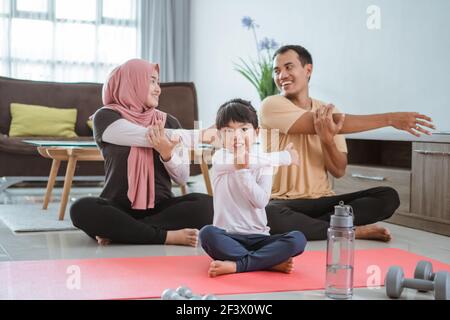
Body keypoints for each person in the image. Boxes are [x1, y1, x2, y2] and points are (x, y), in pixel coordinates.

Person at [261, 45, 435, 241]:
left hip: (322, 201)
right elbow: (328, 122)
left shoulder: (327, 109)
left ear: (308, 70)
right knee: (268, 215)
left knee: (388, 196)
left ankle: (317, 226)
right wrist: (390, 119)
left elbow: (338, 170)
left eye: (288, 67)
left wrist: (327, 141)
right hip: (283, 203)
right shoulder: (270, 105)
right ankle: (345, 229)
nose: (282, 75)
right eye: (277, 70)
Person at [70, 59, 213, 246]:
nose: (158, 89)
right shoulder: (105, 116)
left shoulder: (170, 122)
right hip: (117, 207)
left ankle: (123, 231)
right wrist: (201, 135)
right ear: (132, 82)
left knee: (209, 206)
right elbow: (144, 135)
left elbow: (182, 178)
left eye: (158, 82)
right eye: (152, 81)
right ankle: (165, 236)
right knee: (81, 209)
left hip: (161, 209)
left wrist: (167, 154)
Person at [199, 99, 307, 277]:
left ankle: (239, 265)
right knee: (207, 234)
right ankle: (268, 263)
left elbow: (260, 201)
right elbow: (245, 162)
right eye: (228, 131)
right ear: (219, 136)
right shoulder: (220, 158)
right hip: (227, 237)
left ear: (256, 133)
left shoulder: (264, 163)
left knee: (298, 239)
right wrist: (286, 157)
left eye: (243, 129)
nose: (236, 136)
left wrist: (243, 172)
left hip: (259, 238)